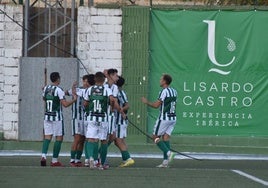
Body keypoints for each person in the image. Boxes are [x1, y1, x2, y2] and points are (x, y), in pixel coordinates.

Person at [40, 72, 77, 167]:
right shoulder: (59, 90)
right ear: (57, 79)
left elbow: (44, 99)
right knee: (59, 138)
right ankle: (54, 160)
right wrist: (73, 100)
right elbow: (65, 105)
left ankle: (43, 156)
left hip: (47, 115)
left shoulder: (46, 88)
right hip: (57, 117)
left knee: (47, 137)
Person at [141, 74, 178, 168]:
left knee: (154, 137)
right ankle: (165, 162)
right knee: (165, 138)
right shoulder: (174, 91)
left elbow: (156, 105)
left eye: (161, 79)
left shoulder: (164, 91)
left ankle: (169, 153)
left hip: (164, 118)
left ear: (165, 81)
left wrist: (146, 102)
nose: (160, 80)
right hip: (173, 118)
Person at [83, 72, 116, 170]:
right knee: (104, 141)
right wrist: (111, 108)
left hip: (92, 117)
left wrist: (89, 108)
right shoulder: (107, 89)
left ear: (95, 80)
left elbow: (85, 103)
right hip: (103, 118)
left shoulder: (89, 90)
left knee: (91, 139)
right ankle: (101, 163)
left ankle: (91, 158)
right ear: (104, 80)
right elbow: (112, 100)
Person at [66, 74, 95, 167]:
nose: (85, 83)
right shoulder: (77, 90)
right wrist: (71, 89)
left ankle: (78, 159)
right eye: (84, 81)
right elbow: (65, 93)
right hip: (77, 118)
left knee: (83, 139)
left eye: (86, 81)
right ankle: (72, 160)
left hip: (85, 119)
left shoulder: (90, 91)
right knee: (77, 138)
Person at [114, 76, 135, 167]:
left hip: (119, 121)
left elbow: (127, 105)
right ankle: (125, 158)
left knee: (118, 140)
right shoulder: (118, 92)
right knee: (119, 141)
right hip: (119, 121)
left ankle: (128, 158)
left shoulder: (119, 93)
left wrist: (121, 111)